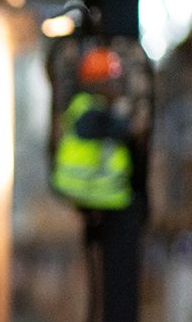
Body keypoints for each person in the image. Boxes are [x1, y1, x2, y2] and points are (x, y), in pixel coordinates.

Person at [50, 46, 134, 210]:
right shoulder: (91, 111)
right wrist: (122, 111)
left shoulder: (87, 105)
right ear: (99, 82)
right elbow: (123, 130)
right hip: (95, 192)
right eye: (112, 81)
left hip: (91, 190)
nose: (116, 86)